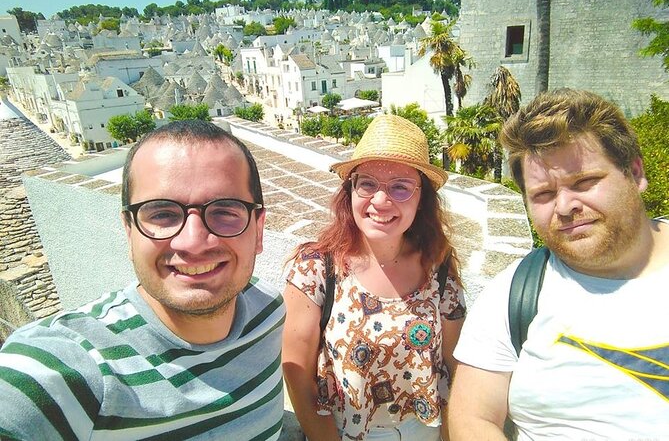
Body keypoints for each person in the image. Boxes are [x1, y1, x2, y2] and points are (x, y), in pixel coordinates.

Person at [0, 120, 285, 440]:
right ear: (129, 230)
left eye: (225, 211)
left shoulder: (269, 311)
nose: (192, 242)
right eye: (162, 214)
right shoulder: (71, 365)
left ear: (258, 230)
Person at [448, 89, 669, 439]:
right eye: (544, 195)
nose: (565, 207)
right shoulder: (515, 294)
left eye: (584, 182)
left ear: (635, 172)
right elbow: (473, 419)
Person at [282, 114, 467, 441]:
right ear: (350, 190)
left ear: (421, 198)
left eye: (400, 187)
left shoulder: (438, 267)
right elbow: (296, 375)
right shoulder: (315, 267)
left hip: (426, 431)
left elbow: (456, 367)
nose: (381, 201)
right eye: (367, 183)